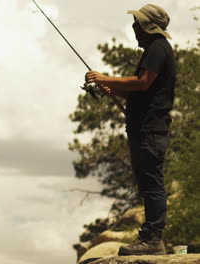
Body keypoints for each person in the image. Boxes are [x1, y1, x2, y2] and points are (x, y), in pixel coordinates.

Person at [85, 4, 175, 256]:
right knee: (148, 183)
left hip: (150, 130)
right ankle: (151, 239)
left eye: (137, 23)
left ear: (147, 27)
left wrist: (105, 79)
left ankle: (152, 240)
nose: (134, 27)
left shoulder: (157, 48)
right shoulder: (155, 50)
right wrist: (115, 89)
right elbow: (142, 89)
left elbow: (143, 82)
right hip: (145, 129)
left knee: (153, 183)